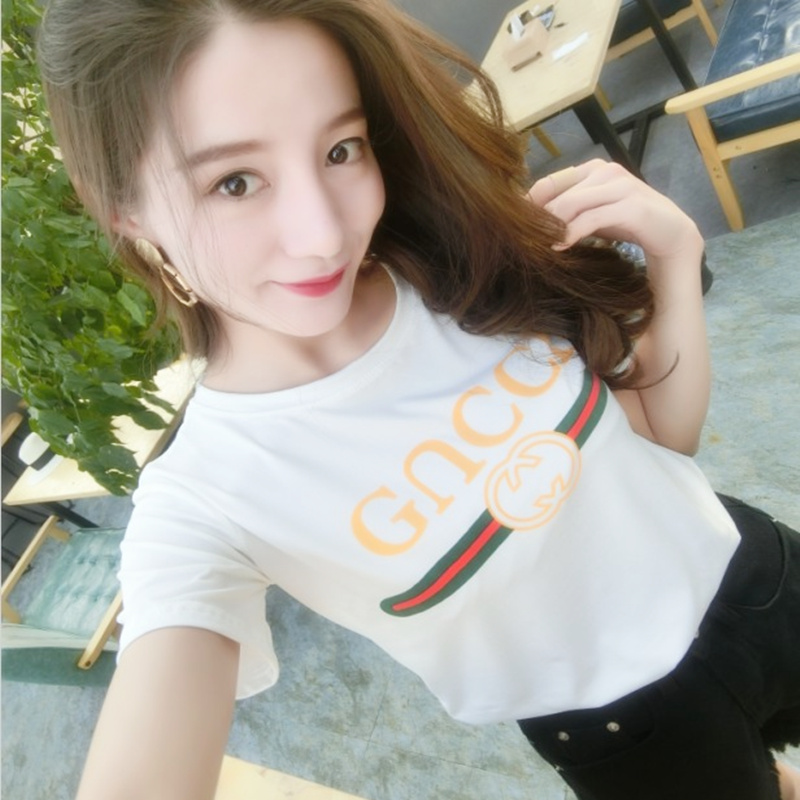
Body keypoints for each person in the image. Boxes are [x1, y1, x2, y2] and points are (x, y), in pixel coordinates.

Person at [36, 1, 799, 798]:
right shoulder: (205, 502)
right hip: (632, 731)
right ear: (124, 208)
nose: (323, 233)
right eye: (235, 182)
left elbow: (660, 439)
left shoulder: (457, 259)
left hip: (756, 578)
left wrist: (675, 258)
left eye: (340, 149)